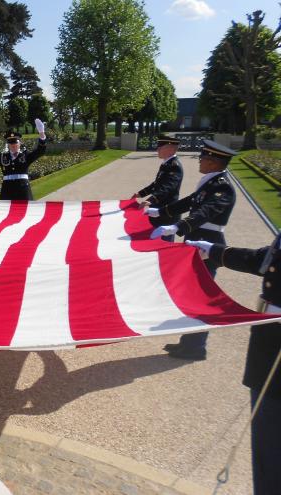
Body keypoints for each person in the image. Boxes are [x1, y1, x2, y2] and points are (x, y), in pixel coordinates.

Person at [185, 236, 281, 494]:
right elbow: (265, 261)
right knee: (265, 440)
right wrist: (215, 251)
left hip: (275, 346)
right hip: (269, 340)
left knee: (272, 443)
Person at [145, 139, 237, 360]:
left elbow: (205, 211)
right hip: (197, 238)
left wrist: (178, 225)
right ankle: (188, 343)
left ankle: (196, 347)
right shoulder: (212, 182)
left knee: (201, 297)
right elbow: (190, 201)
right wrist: (161, 211)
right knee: (190, 293)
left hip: (207, 242)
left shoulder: (222, 186)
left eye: (203, 158)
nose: (200, 161)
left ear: (214, 163)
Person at [0, 118, 47, 200]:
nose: (13, 145)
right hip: (7, 190)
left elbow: (40, 151)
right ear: (8, 145)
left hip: (23, 191)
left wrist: (42, 135)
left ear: (19, 143)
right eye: (11, 143)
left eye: (15, 143)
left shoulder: (25, 156)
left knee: (25, 211)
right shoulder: (3, 157)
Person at [134, 134, 183, 241]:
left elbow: (167, 187)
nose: (158, 149)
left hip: (167, 214)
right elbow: (156, 184)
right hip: (158, 211)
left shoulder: (174, 166)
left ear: (171, 149)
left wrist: (150, 200)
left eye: (161, 147)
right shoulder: (166, 164)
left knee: (163, 245)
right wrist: (140, 193)